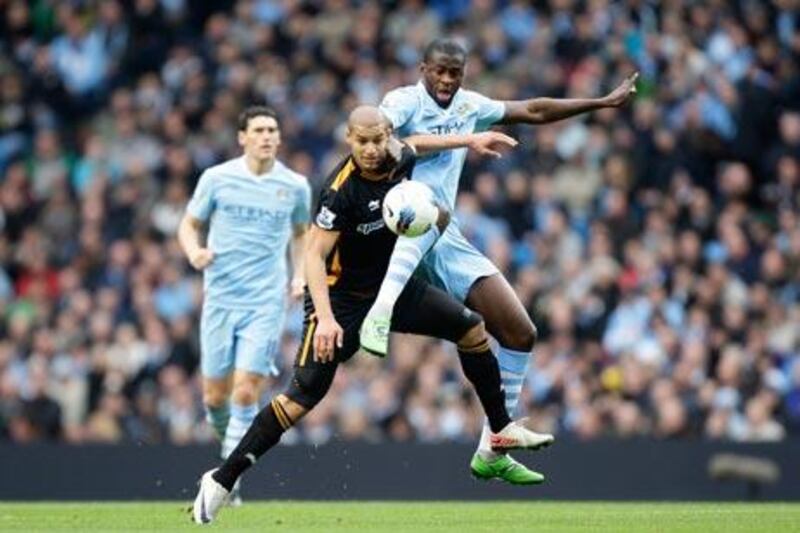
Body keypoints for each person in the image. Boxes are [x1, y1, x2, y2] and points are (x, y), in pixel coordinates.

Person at [191, 106, 552, 524]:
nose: (370, 149)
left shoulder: (400, 157)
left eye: (378, 139)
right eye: (361, 141)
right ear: (349, 139)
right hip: (338, 300)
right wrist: (325, 320)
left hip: (389, 290)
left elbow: (416, 144)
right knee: (302, 397)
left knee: (471, 329)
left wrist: (469, 140)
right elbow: (313, 256)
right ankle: (220, 479)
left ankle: (500, 428)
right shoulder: (339, 191)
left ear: (387, 137)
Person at [358, 38, 638, 484]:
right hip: (394, 228)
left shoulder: (470, 104)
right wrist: (468, 139)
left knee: (520, 331)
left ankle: (494, 446)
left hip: (443, 236)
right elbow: (391, 143)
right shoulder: (402, 100)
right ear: (423, 68)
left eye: (456, 73)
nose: (448, 81)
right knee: (424, 204)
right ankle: (379, 310)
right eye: (440, 71)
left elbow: (535, 110)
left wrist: (600, 102)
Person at [178, 105, 311, 503]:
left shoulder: (295, 185)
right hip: (221, 297)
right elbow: (188, 224)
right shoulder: (217, 179)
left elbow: (302, 234)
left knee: (247, 390)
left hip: (265, 299)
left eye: (273, 129)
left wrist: (299, 274)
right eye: (259, 129)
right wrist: (194, 252)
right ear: (243, 137)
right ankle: (228, 458)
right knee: (215, 397)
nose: (267, 136)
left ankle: (225, 480)